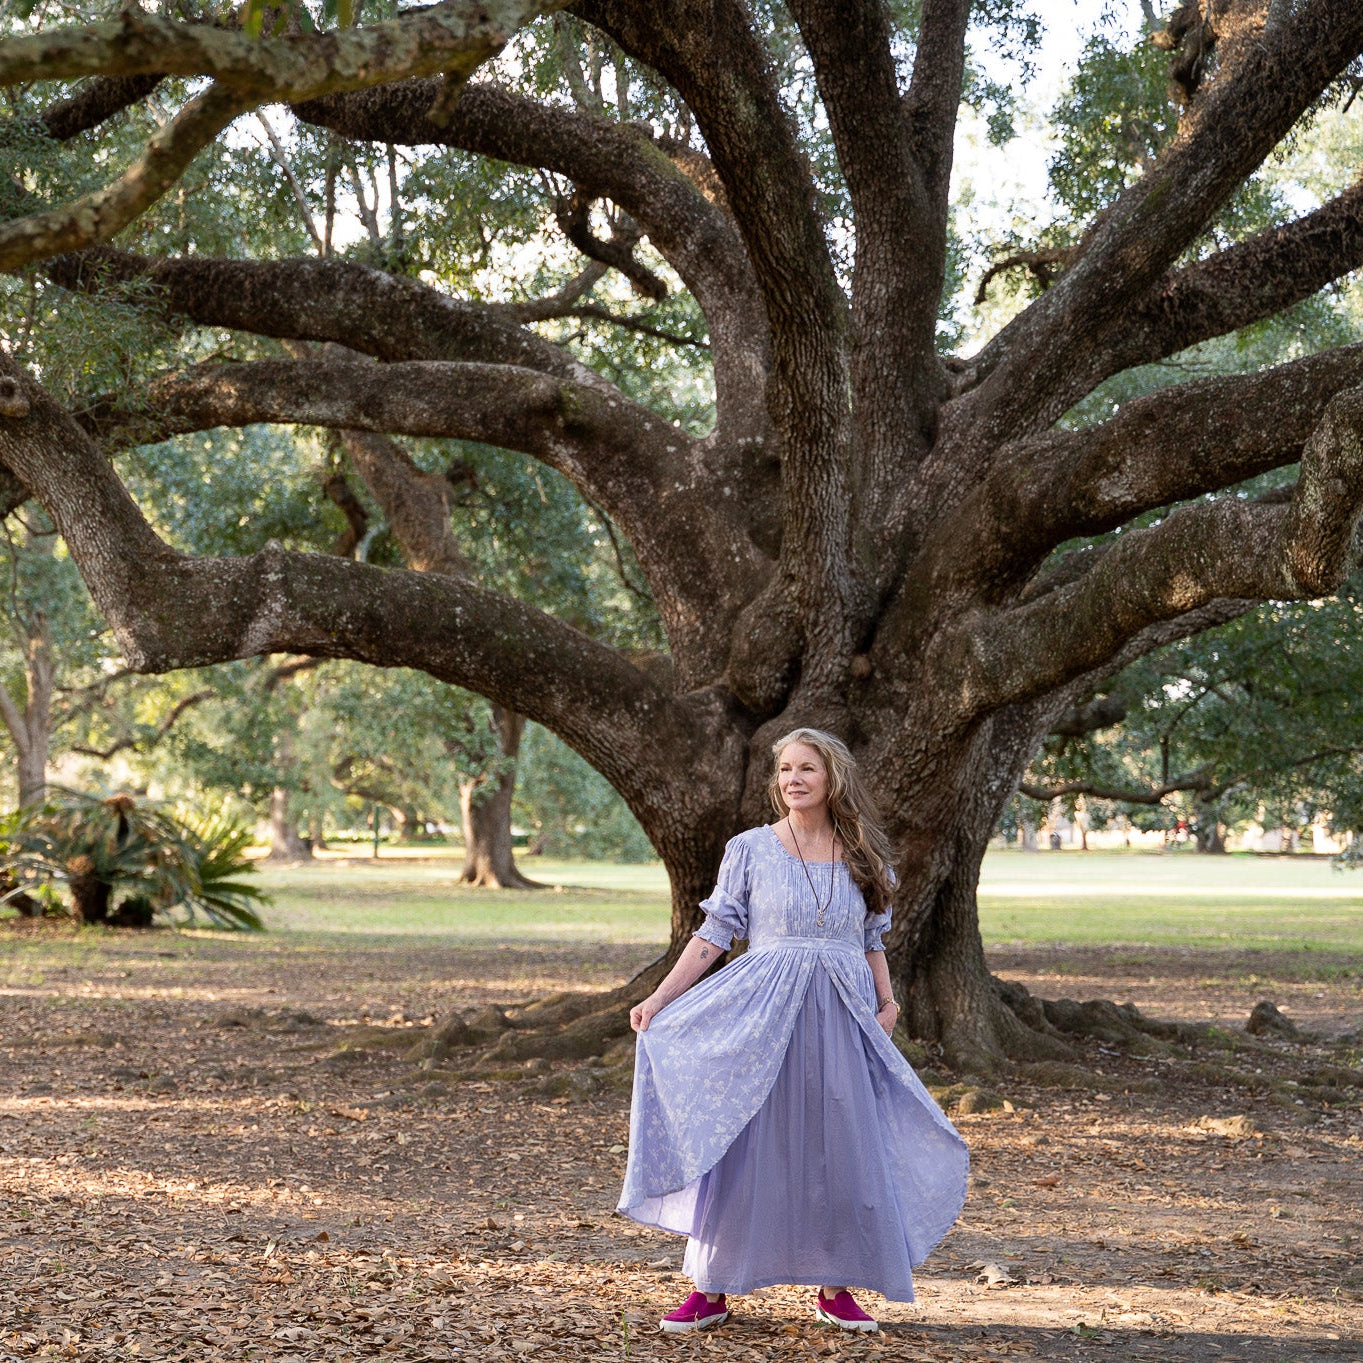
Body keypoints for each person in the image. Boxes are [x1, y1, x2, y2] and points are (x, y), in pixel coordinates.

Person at [617, 727, 969, 1334]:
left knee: (843, 1143)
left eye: (807, 768)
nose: (793, 779)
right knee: (748, 1141)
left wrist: (889, 1004)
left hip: (842, 1015)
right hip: (764, 1014)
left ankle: (836, 1288)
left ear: (833, 778)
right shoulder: (750, 849)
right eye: (784, 769)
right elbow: (714, 936)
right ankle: (713, 1285)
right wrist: (659, 996)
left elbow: (869, 943)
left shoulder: (863, 854)